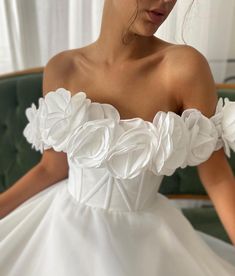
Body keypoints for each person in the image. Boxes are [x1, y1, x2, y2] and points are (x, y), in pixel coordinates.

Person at [1, 0, 235, 275]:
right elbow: (52, 167)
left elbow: (217, 176)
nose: (165, 2)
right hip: (63, 228)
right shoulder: (63, 69)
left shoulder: (183, 68)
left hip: (146, 241)